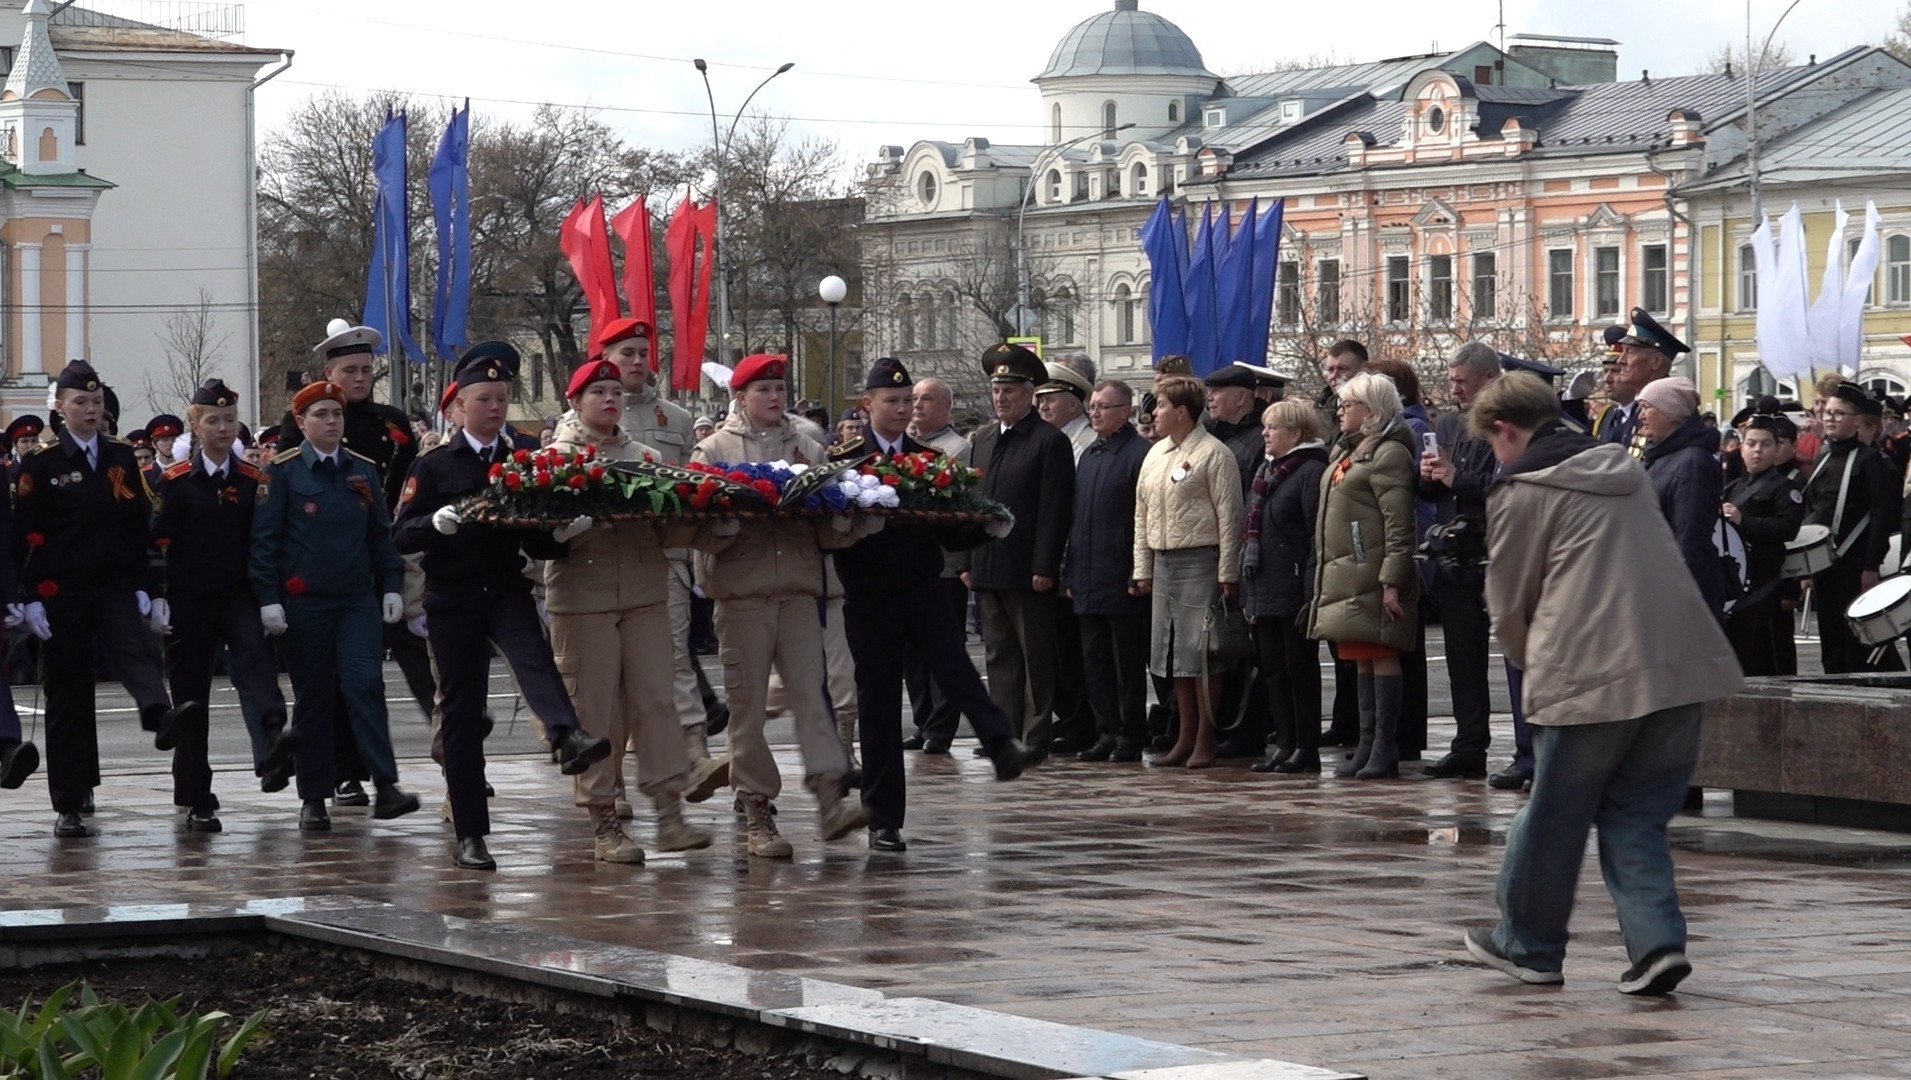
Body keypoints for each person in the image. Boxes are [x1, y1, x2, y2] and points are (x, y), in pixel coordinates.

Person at [1461, 372, 1743, 996]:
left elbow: (1508, 601)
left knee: (1553, 816)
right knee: (1637, 814)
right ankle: (1657, 946)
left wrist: (1528, 662)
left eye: (1493, 443)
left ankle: (1528, 944)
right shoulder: (1624, 468)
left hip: (1588, 670)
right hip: (1677, 663)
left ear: (1506, 430)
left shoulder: (1522, 489)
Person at [393, 342, 613, 870]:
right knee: (462, 715)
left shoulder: (521, 461)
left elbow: (533, 539)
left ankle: (566, 735)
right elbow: (401, 533)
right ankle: (471, 832)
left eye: (501, 399)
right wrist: (436, 524)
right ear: (457, 408)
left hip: (504, 586)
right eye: (484, 399)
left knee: (534, 658)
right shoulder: (435, 465)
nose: (495, 408)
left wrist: (560, 535)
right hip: (453, 597)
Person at [832, 357, 1045, 851]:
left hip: (922, 588)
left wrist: (985, 528)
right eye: (892, 401)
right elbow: (827, 531)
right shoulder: (846, 461)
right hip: (870, 596)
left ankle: (1001, 745)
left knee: (956, 668)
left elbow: (946, 527)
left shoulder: (927, 459)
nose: (903, 408)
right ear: (867, 405)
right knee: (880, 705)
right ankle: (884, 819)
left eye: (908, 400)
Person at [691, 352, 871, 857]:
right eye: (763, 390)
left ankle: (831, 802)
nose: (774, 397)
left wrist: (848, 518)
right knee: (747, 709)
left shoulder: (807, 447)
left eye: (779, 389)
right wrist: (726, 523)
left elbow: (828, 533)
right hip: (743, 595)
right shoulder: (714, 450)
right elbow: (693, 531)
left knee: (812, 699)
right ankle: (757, 812)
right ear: (741, 397)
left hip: (797, 590)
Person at [14, 360, 198, 837]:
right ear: (60, 407)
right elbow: (24, 534)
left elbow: (137, 526)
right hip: (61, 588)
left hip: (112, 578)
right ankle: (69, 802)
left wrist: (148, 587)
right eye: (80, 402)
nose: (91, 409)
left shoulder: (119, 457)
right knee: (67, 693)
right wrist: (28, 596)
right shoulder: (41, 462)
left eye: (96, 402)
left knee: (132, 646)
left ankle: (160, 715)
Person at [543, 359, 716, 863]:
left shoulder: (645, 457)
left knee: (657, 705)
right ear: (576, 402)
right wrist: (566, 530)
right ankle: (605, 821)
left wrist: (702, 515)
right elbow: (539, 538)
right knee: (596, 711)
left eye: (616, 392)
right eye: (598, 392)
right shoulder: (555, 460)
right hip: (584, 599)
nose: (610, 400)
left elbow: (669, 531)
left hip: (644, 594)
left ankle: (669, 814)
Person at [252, 378, 420, 833]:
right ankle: (313, 797)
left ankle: (385, 784)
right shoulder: (282, 473)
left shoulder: (361, 470)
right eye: (321, 414)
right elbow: (265, 544)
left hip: (354, 601)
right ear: (301, 421)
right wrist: (269, 599)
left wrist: (390, 585)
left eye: (337, 414)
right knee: (315, 697)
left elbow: (380, 535)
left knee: (365, 684)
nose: (331, 422)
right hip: (303, 603)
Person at [280, 320, 429, 809]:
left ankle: (432, 750)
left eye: (367, 370)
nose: (361, 378)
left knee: (377, 673)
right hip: (314, 580)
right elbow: (276, 523)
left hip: (376, 564)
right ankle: (331, 782)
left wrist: (392, 575)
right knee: (321, 690)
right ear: (330, 374)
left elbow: (405, 490)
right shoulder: (296, 436)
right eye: (351, 370)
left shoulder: (389, 426)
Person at [593, 316, 728, 799]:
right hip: (601, 562)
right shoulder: (582, 418)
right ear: (605, 358)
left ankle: (694, 752)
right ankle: (610, 779)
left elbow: (692, 492)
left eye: (642, 353)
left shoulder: (677, 418)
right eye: (625, 353)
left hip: (664, 558)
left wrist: (695, 557)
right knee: (611, 675)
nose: (636, 361)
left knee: (672, 657)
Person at [151, 380, 294, 830]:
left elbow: (264, 540)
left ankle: (274, 739)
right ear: (195, 426)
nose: (223, 428)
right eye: (213, 420)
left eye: (230, 419)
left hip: (236, 595)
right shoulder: (176, 481)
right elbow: (156, 542)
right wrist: (158, 595)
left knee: (256, 661)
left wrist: (268, 597)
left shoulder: (252, 479)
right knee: (191, 698)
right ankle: (196, 795)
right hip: (189, 600)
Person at [1307, 371, 1419, 780]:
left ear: (1371, 411)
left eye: (1348, 404)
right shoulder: (1350, 450)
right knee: (1361, 656)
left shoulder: (1388, 453)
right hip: (1350, 573)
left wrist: (1392, 581)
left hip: (1371, 572)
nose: (1340, 410)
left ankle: (1384, 746)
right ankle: (1368, 743)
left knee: (1381, 652)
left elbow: (1398, 524)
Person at [966, 344, 1076, 748]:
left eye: (1009, 390)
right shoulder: (984, 439)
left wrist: (1045, 566)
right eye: (996, 390)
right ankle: (1004, 733)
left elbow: (1053, 510)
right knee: (999, 654)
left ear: (1030, 394)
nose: (1001, 398)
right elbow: (971, 504)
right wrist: (966, 559)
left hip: (1027, 567)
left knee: (1035, 656)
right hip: (988, 564)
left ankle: (1035, 734)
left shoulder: (1049, 441)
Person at [1134, 376, 1244, 769]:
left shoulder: (1214, 454)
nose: (1154, 414)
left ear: (1182, 411)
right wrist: (1142, 567)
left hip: (1200, 561)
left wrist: (1227, 571)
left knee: (1202, 653)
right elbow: (1142, 513)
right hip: (1164, 560)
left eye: (1161, 405)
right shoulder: (1156, 454)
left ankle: (1205, 738)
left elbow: (1230, 516)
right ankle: (1184, 735)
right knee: (1173, 654)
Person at [1416, 343, 1500, 780]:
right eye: (1451, 381)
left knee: (1514, 659)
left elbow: (1502, 486)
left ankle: (1528, 751)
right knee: (1462, 660)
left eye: (1461, 381)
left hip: (1493, 553)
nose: (1454, 390)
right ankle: (1468, 745)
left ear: (1488, 378)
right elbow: (1434, 491)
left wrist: (1456, 477)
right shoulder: (1449, 423)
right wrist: (1428, 476)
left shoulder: (1505, 425)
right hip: (1454, 557)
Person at [1066, 379, 1152, 762]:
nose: (1094, 412)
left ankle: (1131, 735)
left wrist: (1139, 569)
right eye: (1093, 406)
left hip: (1122, 577)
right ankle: (1106, 732)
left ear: (1124, 411)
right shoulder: (1090, 455)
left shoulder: (1139, 454)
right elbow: (1077, 519)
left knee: (1126, 665)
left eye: (1103, 406)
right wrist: (1071, 571)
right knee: (1095, 662)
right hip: (1087, 575)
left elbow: (1142, 520)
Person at [1242, 399, 1329, 773]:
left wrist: (1310, 589)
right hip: (1265, 585)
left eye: (1272, 427)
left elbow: (1315, 535)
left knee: (1299, 668)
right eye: (1264, 426)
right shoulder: (1267, 470)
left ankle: (1306, 746)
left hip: (1294, 586)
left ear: (1295, 434)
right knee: (1273, 669)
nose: (1264, 433)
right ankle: (1285, 743)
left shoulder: (1309, 471)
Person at [1810, 381, 1904, 673]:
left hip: (1856, 563)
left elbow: (1882, 516)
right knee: (1831, 638)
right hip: (1826, 565)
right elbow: (1814, 511)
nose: (1830, 418)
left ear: (1857, 421)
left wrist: (1871, 565)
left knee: (1859, 641)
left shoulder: (1872, 461)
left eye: (1839, 414)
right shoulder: (1823, 458)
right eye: (1827, 412)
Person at [902, 376, 971, 753]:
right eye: (914, 398)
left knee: (943, 648)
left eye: (926, 399)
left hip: (944, 564)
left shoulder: (958, 450)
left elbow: (963, 508)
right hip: (906, 564)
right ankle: (923, 720)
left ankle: (941, 728)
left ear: (946, 407)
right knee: (913, 653)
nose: (917, 405)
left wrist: (963, 562)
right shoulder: (904, 445)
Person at [1636, 377, 1732, 619]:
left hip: (1680, 594)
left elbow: (1691, 537)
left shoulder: (1691, 463)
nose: (1641, 415)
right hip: (1662, 582)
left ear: (1671, 414)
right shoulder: (1663, 456)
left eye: (1647, 407)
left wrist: (1677, 596)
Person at [1722, 407, 1805, 676]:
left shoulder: (1784, 488)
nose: (1757, 450)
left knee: (1769, 656)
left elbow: (1787, 528)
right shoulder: (1732, 487)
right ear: (1741, 448)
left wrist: (1743, 521)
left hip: (1767, 583)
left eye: (1766, 444)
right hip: (1737, 582)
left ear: (1777, 448)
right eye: (1751, 443)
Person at [1202, 363, 1267, 493]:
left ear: (1241, 397)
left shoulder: (1263, 440)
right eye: (1209, 391)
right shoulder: (1207, 432)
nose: (1209, 397)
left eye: (1216, 391)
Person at [1036, 362, 1096, 462]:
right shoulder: (1048, 438)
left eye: (1050, 400)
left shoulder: (1087, 444)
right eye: (1041, 401)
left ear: (1072, 405)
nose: (1043, 407)